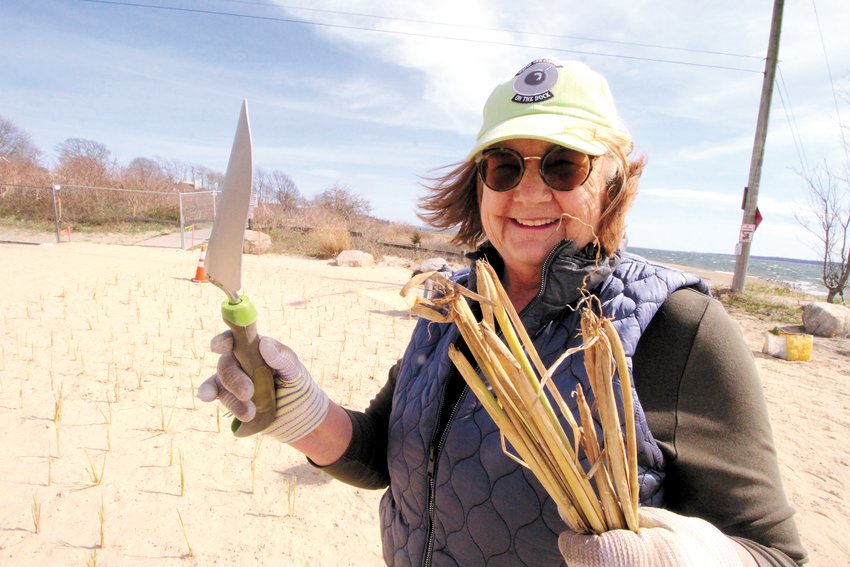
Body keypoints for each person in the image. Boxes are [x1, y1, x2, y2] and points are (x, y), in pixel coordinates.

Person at [198, 57, 807, 566]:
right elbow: (382, 450)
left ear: (613, 181)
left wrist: (690, 558)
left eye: (565, 164)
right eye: (505, 166)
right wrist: (295, 409)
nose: (531, 191)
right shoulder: (451, 306)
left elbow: (776, 554)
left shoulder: (679, 329)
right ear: (481, 183)